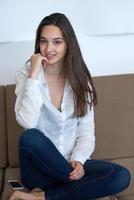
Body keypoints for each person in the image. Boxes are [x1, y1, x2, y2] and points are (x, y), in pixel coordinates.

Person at [9, 13, 130, 200]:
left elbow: (86, 130)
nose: (49, 48)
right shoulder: (26, 76)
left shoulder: (81, 80)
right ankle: (83, 190)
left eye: (57, 42)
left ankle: (43, 197)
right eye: (44, 41)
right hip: (38, 170)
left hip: (70, 165)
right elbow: (27, 121)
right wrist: (34, 75)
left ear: (68, 45)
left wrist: (79, 161)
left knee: (122, 175)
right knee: (29, 137)